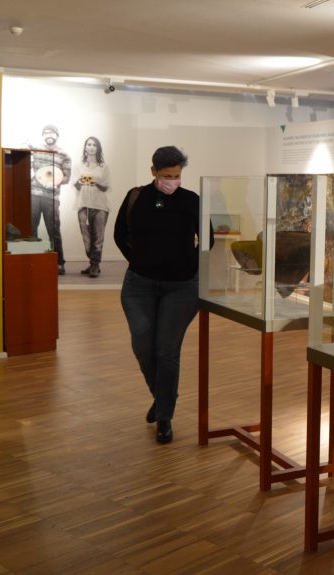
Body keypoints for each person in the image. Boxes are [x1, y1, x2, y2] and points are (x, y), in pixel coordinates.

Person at [114, 146, 208, 444]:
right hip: (139, 286)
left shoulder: (191, 200)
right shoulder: (136, 198)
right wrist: (139, 260)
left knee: (166, 351)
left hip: (181, 288)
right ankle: (162, 396)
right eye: (167, 175)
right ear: (153, 171)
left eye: (177, 175)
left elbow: (208, 240)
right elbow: (119, 234)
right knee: (143, 346)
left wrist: (186, 266)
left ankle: (165, 417)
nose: (172, 181)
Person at [30, 125, 72, 275]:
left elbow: (67, 177)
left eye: (52, 132)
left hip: (51, 197)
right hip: (33, 194)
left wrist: (55, 181)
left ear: (57, 135)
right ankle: (32, 260)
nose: (49, 134)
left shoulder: (63, 155)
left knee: (53, 231)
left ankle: (59, 263)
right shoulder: (35, 150)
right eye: (46, 132)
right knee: (31, 229)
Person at [71, 137, 111, 278]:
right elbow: (74, 185)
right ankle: (93, 262)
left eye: (94, 145)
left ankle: (94, 265)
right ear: (85, 147)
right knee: (87, 238)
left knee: (98, 238)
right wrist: (80, 181)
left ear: (98, 148)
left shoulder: (103, 167)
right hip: (83, 204)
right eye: (89, 144)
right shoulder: (78, 165)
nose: (92, 147)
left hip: (100, 205)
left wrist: (95, 182)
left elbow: (106, 187)